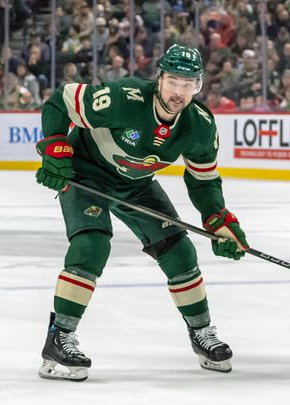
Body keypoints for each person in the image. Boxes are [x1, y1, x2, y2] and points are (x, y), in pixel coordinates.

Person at [34, 44, 248, 381]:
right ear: (159, 78)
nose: (178, 92)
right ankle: (58, 337)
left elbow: (203, 180)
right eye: (173, 81)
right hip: (85, 173)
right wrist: (56, 146)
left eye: (188, 84)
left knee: (180, 251)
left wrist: (217, 218)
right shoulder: (125, 99)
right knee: (92, 245)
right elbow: (62, 100)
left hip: (136, 184)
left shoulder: (200, 125)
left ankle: (201, 332)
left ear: (198, 86)